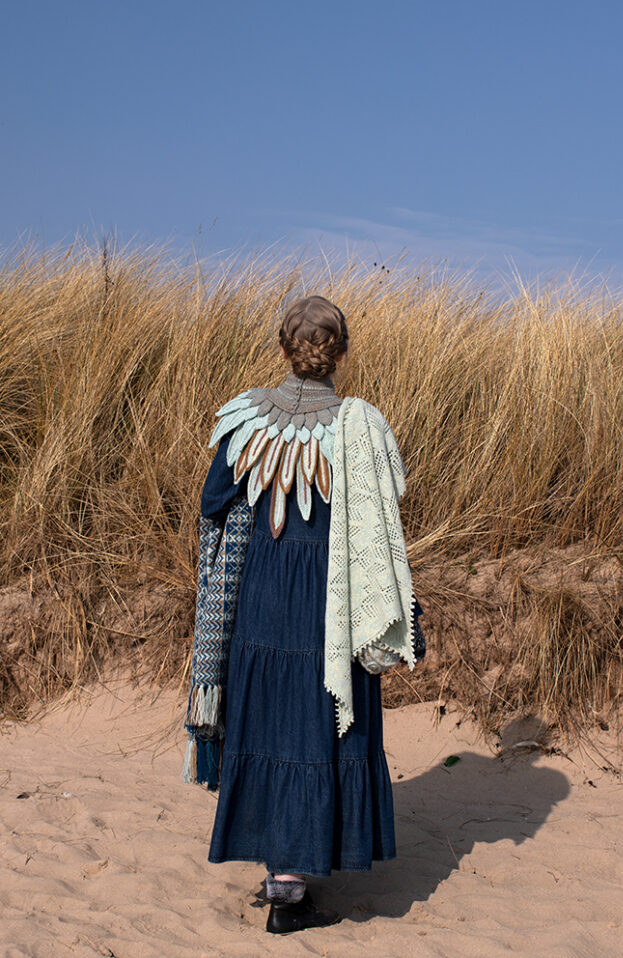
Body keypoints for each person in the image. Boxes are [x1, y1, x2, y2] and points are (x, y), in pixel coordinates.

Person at [186, 295, 424, 934]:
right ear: (340, 351)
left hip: (264, 596)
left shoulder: (244, 420)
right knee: (320, 723)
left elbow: (214, 501)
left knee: (268, 722)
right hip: (331, 599)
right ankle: (291, 888)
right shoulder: (361, 424)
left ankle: (279, 871)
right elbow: (385, 512)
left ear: (283, 349)